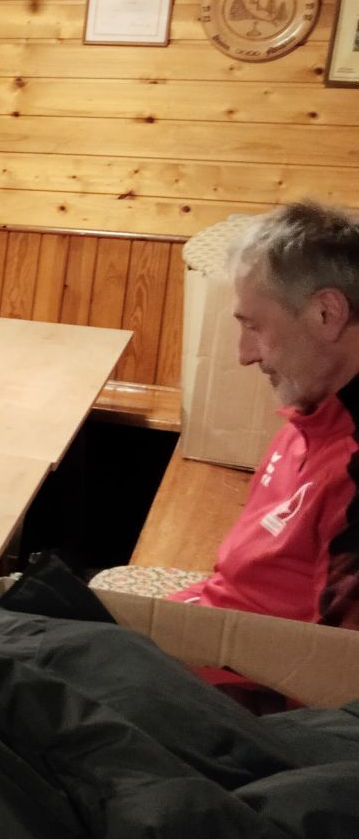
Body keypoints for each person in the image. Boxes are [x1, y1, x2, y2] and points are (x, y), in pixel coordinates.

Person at [118, 201, 359, 628]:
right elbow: (240, 586)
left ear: (328, 313)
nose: (244, 355)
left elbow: (332, 663)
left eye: (254, 326)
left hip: (227, 663)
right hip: (203, 628)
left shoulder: (352, 471)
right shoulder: (313, 413)